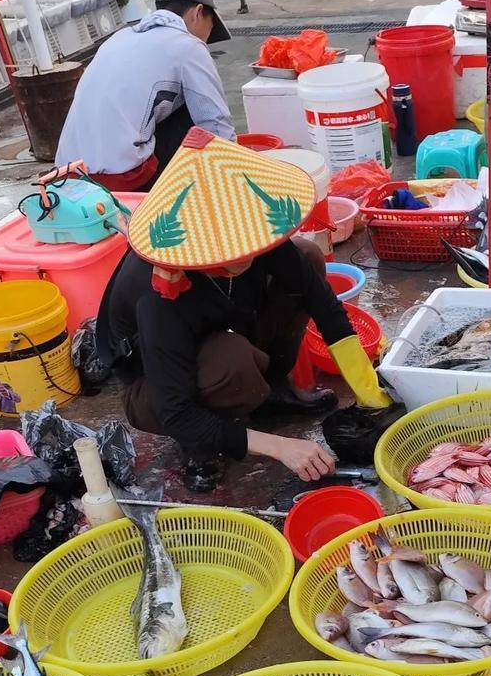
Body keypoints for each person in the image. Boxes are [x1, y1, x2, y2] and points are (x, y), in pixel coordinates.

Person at [96, 131, 341, 492]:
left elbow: (318, 297)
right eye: (231, 251)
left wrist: (367, 383)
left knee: (307, 256)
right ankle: (200, 445)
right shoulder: (159, 292)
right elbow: (174, 410)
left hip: (222, 327)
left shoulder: (251, 229)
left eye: (248, 245)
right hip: (157, 387)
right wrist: (279, 446)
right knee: (232, 362)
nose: (246, 256)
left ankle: (272, 392)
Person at [54, 0, 235, 193]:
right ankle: (184, 197)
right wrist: (241, 177)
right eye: (210, 28)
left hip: (66, 173)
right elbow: (215, 123)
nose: (206, 39)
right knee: (194, 112)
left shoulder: (119, 38)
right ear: (197, 13)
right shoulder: (189, 46)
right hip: (118, 175)